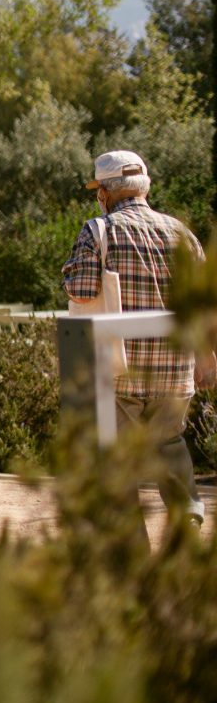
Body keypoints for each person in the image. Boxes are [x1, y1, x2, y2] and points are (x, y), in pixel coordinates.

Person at [63, 150, 214, 527]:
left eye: (97, 190)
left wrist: (70, 269)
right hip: (175, 370)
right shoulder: (183, 234)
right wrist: (207, 357)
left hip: (120, 368)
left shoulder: (99, 231)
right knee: (170, 443)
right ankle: (187, 517)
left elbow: (81, 290)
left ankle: (131, 544)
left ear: (106, 193)